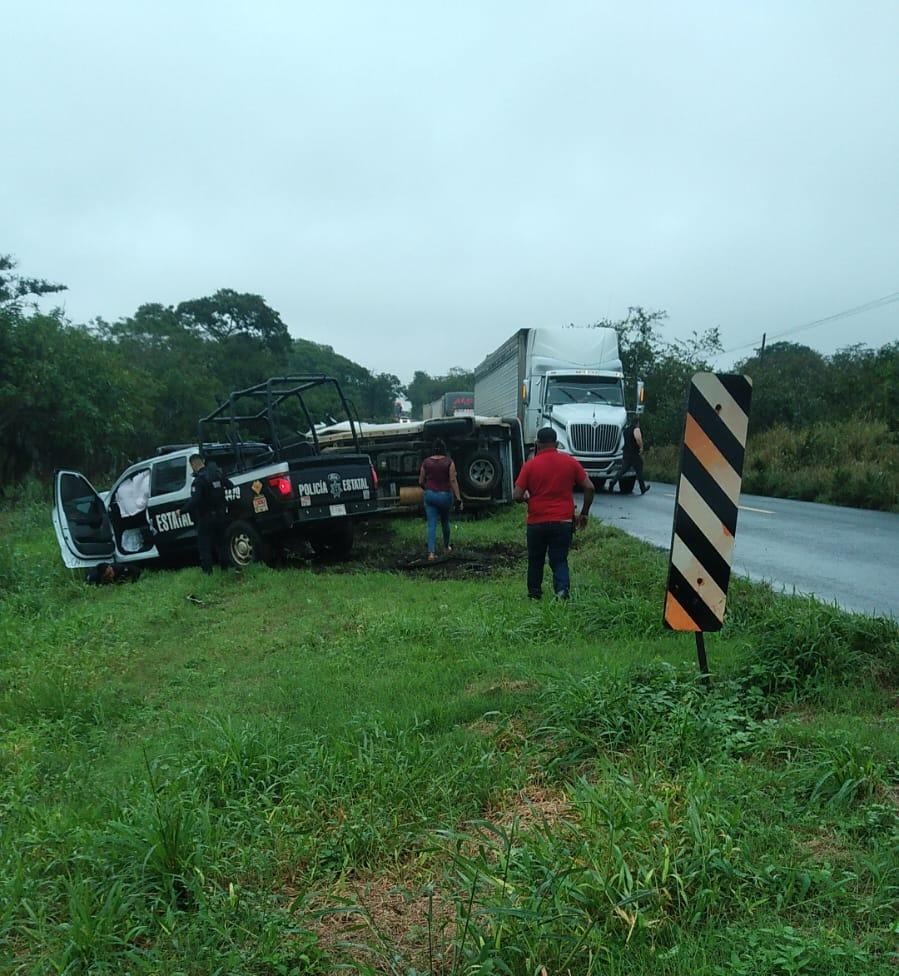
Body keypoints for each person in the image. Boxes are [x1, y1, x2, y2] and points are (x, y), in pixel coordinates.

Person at [512, 426, 595, 600]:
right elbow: (589, 487)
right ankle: (562, 591)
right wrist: (584, 513)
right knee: (559, 559)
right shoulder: (569, 462)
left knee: (535, 561)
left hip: (536, 521)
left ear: (537, 444)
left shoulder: (530, 465)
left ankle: (534, 595)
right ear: (556, 444)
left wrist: (528, 499)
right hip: (563, 521)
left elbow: (517, 495)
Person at [178, 454, 233, 574]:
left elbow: (195, 500)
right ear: (202, 461)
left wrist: (182, 511)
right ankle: (225, 568)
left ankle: (208, 572)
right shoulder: (217, 474)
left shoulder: (198, 481)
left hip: (206, 517)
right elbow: (230, 485)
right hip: (221, 515)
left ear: (193, 465)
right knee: (221, 543)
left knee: (204, 545)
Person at [418, 439, 462, 561]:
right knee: (445, 521)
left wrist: (427, 489)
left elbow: (421, 481)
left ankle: (431, 553)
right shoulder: (449, 462)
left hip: (430, 495)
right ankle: (446, 547)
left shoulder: (426, 462)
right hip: (445, 496)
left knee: (431, 524)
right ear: (445, 449)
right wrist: (458, 497)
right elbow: (452, 480)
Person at [610, 417, 649, 494]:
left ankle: (613, 482)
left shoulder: (626, 430)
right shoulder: (636, 429)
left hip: (626, 453)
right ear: (637, 423)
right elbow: (638, 438)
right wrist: (641, 447)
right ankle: (642, 488)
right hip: (634, 453)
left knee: (623, 470)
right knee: (639, 470)